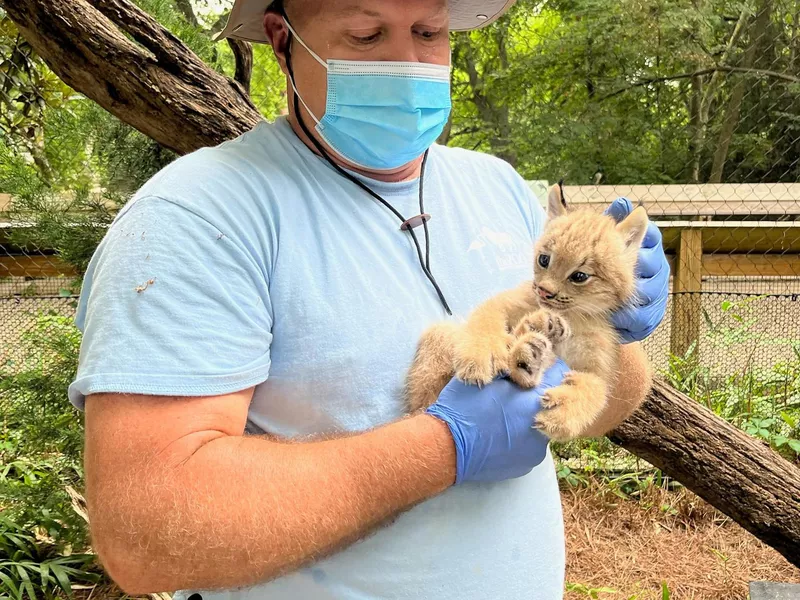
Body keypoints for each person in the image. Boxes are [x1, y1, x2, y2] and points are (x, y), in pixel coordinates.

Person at [68, 0, 669, 598]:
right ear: (282, 42)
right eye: (366, 33)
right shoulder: (198, 216)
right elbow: (146, 536)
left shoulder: (498, 187)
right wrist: (445, 447)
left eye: (429, 32)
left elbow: (611, 399)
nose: (407, 62)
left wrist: (613, 325)